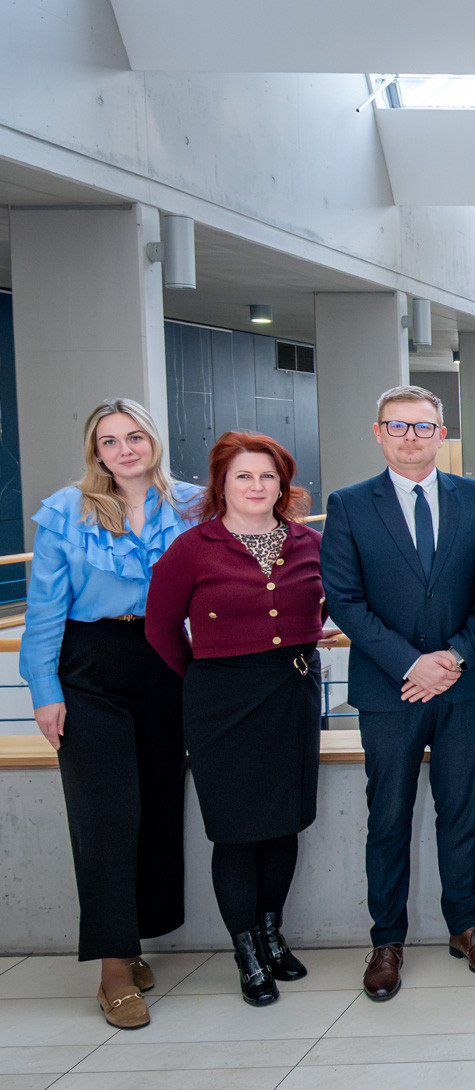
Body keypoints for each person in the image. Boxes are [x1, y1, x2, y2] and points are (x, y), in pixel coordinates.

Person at [23, 399, 204, 1029]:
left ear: (153, 440)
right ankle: (113, 971)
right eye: (109, 441)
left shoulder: (194, 505)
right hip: (89, 663)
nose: (124, 450)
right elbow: (44, 608)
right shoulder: (66, 510)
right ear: (95, 451)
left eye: (134, 437)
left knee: (157, 806)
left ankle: (133, 940)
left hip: (166, 660)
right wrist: (44, 690)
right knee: (104, 816)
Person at [321, 385, 475, 999]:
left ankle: (465, 926)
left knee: (461, 812)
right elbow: (345, 600)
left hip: (461, 687)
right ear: (379, 432)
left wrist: (452, 656)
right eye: (397, 426)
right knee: (388, 817)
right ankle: (387, 940)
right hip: (389, 691)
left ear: (440, 434)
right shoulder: (349, 505)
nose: (410, 437)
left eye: (423, 427)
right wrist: (411, 664)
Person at [145, 432, 324, 1005]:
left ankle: (272, 934)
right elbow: (159, 629)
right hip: (221, 703)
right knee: (236, 831)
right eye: (243, 475)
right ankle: (246, 952)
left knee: (284, 822)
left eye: (268, 475)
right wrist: (207, 675)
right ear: (221, 485)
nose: (256, 485)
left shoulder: (311, 543)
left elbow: (338, 603)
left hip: (292, 693)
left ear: (283, 485)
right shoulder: (192, 548)